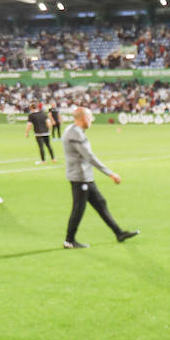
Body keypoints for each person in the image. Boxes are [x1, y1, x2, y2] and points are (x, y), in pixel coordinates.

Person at [62, 107, 139, 249]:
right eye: (90, 117)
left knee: (100, 203)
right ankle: (69, 240)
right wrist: (110, 173)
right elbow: (89, 157)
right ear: (84, 118)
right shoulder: (75, 134)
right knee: (79, 209)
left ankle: (119, 233)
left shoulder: (74, 131)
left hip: (85, 177)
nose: (92, 120)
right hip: (80, 178)